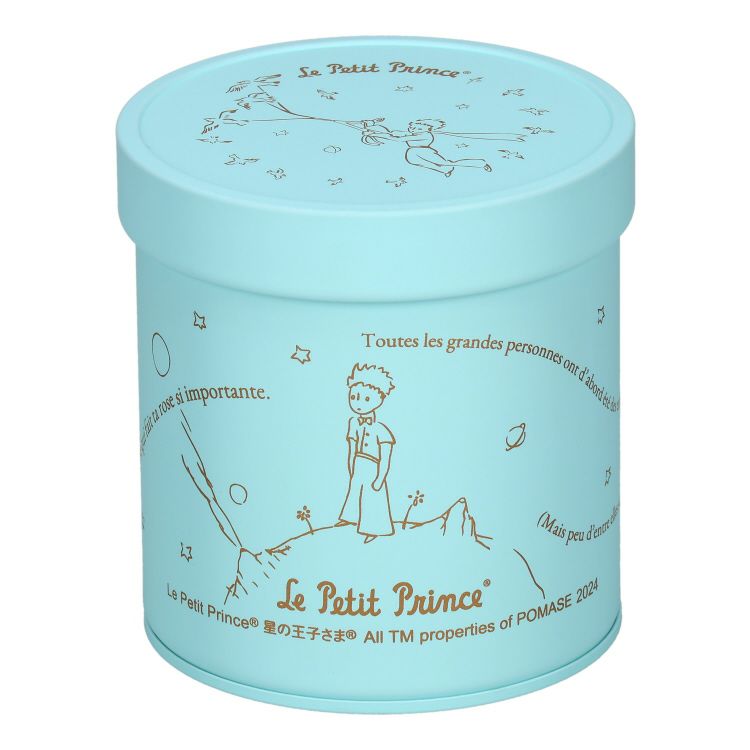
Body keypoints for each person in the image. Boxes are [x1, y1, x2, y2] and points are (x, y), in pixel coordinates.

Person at [337, 364, 396, 543]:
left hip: (373, 466)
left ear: (380, 399)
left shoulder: (381, 430)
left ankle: (375, 528)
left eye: (366, 398)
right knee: (355, 491)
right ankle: (351, 517)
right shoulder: (353, 423)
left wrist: (380, 478)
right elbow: (352, 447)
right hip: (358, 463)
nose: (358, 403)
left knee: (373, 496)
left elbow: (385, 457)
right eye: (354, 397)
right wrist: (351, 466)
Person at [362, 119, 492, 177]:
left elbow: (398, 139)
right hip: (412, 153)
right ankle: (445, 171)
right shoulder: (415, 133)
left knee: (445, 162)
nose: (413, 129)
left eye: (417, 128)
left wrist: (375, 134)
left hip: (424, 151)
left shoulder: (425, 136)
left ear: (427, 128)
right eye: (412, 127)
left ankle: (480, 163)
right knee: (424, 164)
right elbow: (397, 134)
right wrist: (378, 131)